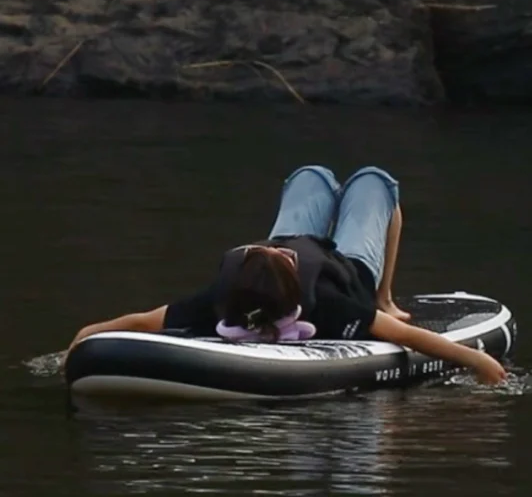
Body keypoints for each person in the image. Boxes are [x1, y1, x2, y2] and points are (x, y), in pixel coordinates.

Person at [66, 165, 508, 386]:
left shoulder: (220, 297)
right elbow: (408, 337)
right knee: (374, 184)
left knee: (310, 176)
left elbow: (140, 321)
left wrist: (82, 339)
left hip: (304, 252)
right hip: (351, 268)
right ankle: (383, 294)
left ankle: (318, 186)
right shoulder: (332, 306)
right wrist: (480, 362)